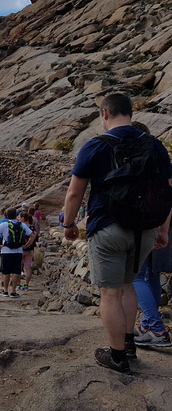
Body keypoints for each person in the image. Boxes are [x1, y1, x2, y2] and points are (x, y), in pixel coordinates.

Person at [62, 93, 172, 374]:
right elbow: (168, 191)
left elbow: (75, 193)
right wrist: (162, 229)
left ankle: (117, 357)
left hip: (108, 228)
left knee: (109, 293)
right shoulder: (155, 145)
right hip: (145, 230)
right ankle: (130, 345)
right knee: (128, 286)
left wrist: (69, 225)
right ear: (131, 114)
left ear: (105, 114)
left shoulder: (95, 146)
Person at [132, 227, 172, 348]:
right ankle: (147, 325)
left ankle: (157, 329)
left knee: (135, 276)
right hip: (161, 226)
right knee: (152, 275)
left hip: (147, 226)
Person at [0, 207, 36, 298]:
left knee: (6, 272)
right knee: (16, 271)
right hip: (18, 251)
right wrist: (26, 245)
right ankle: (14, 292)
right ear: (16, 215)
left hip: (6, 251)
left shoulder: (4, 224)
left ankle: (5, 291)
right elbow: (32, 235)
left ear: (6, 215)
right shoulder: (22, 225)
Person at [18, 211, 36, 291]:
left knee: (18, 267)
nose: (18, 218)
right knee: (28, 267)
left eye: (19, 217)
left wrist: (24, 246)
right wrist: (28, 245)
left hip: (20, 249)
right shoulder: (31, 227)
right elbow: (34, 237)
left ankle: (18, 285)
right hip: (30, 250)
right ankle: (26, 285)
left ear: (22, 218)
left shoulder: (20, 226)